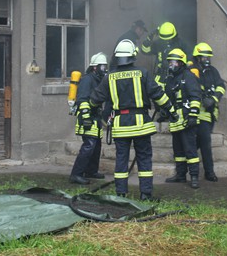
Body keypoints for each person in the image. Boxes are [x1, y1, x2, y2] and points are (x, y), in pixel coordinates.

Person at [89, 39, 174, 200]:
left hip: (121, 126)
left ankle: (121, 193)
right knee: (144, 159)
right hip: (141, 124)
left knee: (121, 159)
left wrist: (92, 109)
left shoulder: (109, 77)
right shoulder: (143, 73)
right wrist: (171, 109)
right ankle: (145, 193)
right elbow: (157, 94)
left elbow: (95, 99)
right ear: (132, 56)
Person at [164, 48, 203, 189]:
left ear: (181, 63)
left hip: (187, 120)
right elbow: (168, 97)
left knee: (190, 150)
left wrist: (193, 115)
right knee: (178, 150)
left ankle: (194, 177)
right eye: (170, 62)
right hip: (175, 121)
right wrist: (164, 112)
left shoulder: (188, 76)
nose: (172, 65)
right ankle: (180, 175)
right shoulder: (170, 79)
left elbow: (195, 96)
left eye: (174, 62)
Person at [69, 52, 108, 185]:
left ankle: (91, 171)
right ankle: (76, 174)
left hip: (95, 117)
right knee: (88, 146)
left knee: (96, 146)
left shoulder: (98, 79)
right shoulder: (87, 79)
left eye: (105, 66)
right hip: (87, 118)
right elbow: (82, 99)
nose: (104, 69)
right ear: (95, 67)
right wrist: (86, 118)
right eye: (102, 66)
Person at [192, 42, 226, 182]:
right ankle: (207, 172)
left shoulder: (213, 71)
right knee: (203, 142)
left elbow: (221, 87)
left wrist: (213, 99)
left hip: (209, 113)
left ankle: (205, 170)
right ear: (197, 58)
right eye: (204, 57)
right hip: (196, 113)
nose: (207, 59)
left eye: (208, 57)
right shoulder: (192, 71)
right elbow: (191, 89)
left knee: (201, 142)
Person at [140, 21, 191, 86]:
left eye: (169, 38)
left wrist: (187, 68)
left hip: (177, 74)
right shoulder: (158, 43)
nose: (167, 40)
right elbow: (145, 50)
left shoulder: (180, 43)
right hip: (161, 75)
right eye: (164, 39)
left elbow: (190, 56)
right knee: (156, 90)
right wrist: (149, 38)